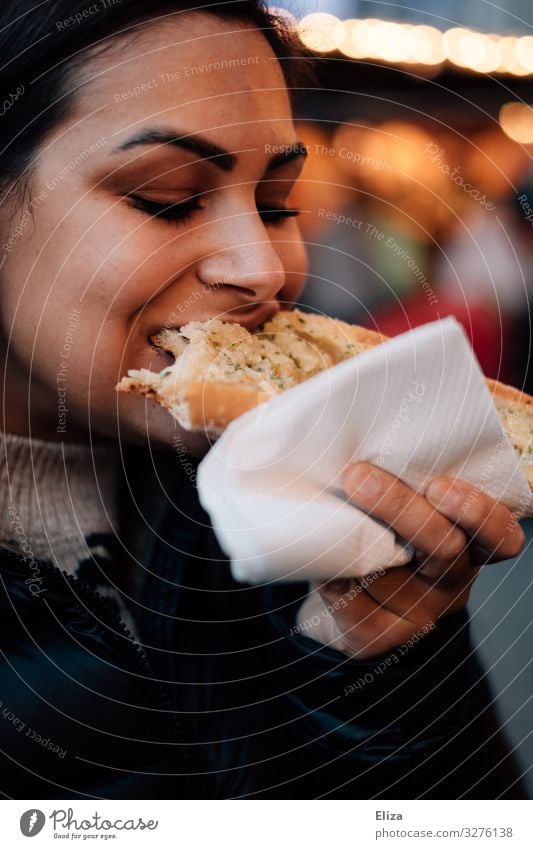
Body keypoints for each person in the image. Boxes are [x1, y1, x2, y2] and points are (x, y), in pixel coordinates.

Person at [0, 0, 526, 799]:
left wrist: (372, 666)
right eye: (167, 197)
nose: (264, 267)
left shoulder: (287, 511)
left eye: (278, 203)